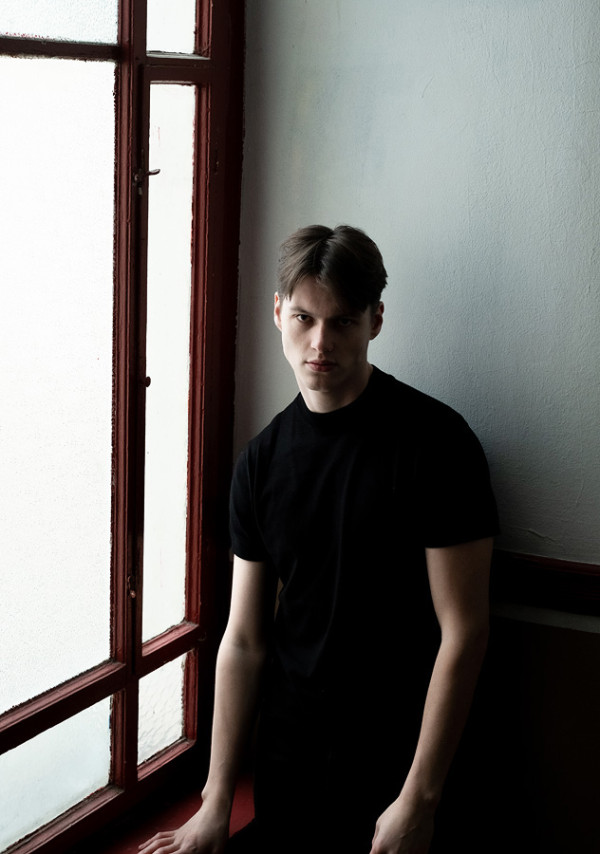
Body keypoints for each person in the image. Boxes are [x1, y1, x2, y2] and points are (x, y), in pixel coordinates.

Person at [140, 225, 499, 854]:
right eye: (305, 317)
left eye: (343, 321)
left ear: (375, 321)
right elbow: (244, 639)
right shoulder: (260, 462)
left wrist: (420, 798)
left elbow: (463, 631)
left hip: (399, 763)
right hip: (290, 764)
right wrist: (215, 802)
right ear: (279, 312)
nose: (321, 342)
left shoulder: (437, 443)